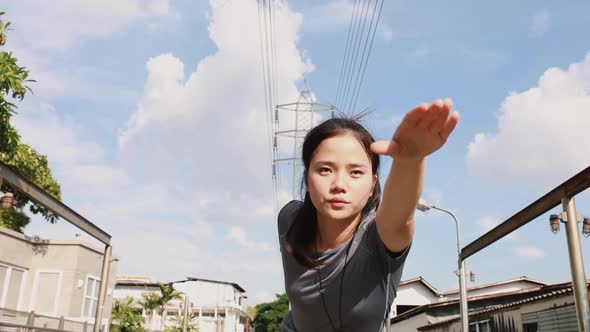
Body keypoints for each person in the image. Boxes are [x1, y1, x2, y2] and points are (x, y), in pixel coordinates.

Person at [277, 99, 460, 332]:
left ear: (373, 183)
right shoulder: (289, 219)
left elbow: (398, 216)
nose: (339, 184)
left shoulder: (379, 238)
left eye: (355, 172)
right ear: (307, 176)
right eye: (325, 169)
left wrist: (410, 161)